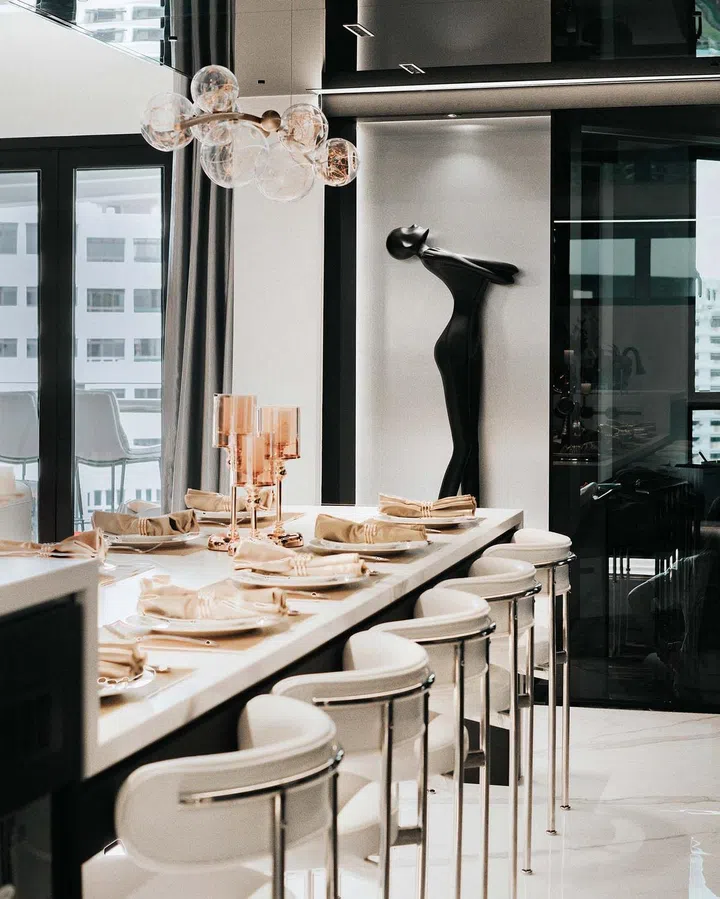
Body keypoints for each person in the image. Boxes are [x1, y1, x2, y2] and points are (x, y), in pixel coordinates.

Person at [386, 225, 518, 499]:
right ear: (406, 243)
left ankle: (474, 510)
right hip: (456, 344)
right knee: (464, 443)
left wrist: (479, 267)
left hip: (465, 341)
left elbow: (508, 270)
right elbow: (503, 276)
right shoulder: (433, 257)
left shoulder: (440, 255)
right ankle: (439, 514)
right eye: (407, 229)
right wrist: (481, 268)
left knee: (470, 439)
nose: (414, 227)